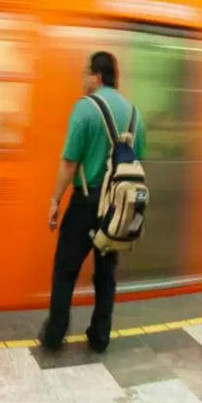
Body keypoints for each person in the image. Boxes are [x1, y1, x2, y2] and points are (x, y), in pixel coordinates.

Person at [41, 51, 146, 354]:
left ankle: (54, 334)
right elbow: (138, 160)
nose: (82, 78)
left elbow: (69, 163)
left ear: (97, 76)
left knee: (65, 269)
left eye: (85, 72)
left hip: (87, 202)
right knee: (106, 273)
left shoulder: (85, 108)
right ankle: (100, 336)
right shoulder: (135, 115)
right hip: (118, 206)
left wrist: (54, 200)